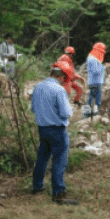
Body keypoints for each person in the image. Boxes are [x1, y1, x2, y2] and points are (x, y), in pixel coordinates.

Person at [30, 63, 77, 205]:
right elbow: (66, 112)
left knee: (42, 158)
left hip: (42, 128)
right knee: (59, 160)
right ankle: (58, 193)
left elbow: (33, 109)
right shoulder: (59, 90)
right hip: (57, 129)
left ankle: (37, 186)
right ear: (60, 77)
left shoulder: (38, 87)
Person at [86, 42, 107, 115]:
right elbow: (96, 71)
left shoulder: (92, 58)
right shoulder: (93, 59)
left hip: (93, 81)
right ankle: (94, 115)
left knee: (90, 99)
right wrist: (104, 67)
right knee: (97, 101)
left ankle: (87, 114)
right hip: (96, 82)